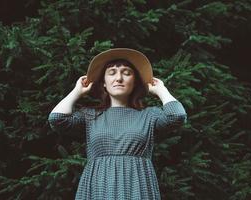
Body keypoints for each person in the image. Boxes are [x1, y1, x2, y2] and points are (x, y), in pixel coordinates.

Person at [48, 48, 187, 199]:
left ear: (134, 82)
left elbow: (177, 116)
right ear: (104, 84)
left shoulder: (149, 115)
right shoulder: (90, 116)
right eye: (112, 72)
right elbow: (56, 119)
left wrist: (161, 90)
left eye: (126, 73)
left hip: (137, 188)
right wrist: (77, 91)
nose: (119, 78)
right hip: (98, 187)